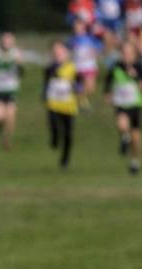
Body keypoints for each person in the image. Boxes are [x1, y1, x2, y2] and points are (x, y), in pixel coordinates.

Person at [104, 40, 142, 173]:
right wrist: (107, 93)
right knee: (122, 124)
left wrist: (135, 77)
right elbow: (108, 80)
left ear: (135, 54)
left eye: (130, 53)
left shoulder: (139, 67)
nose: (127, 56)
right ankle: (125, 137)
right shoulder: (116, 66)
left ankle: (135, 161)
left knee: (136, 137)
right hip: (121, 103)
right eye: (124, 53)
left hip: (135, 104)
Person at [44, 40, 80, 168]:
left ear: (66, 53)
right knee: (53, 123)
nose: (58, 53)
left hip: (68, 104)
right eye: (55, 51)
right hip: (53, 102)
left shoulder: (73, 67)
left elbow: (79, 84)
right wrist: (44, 95)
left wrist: (76, 88)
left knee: (68, 133)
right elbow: (46, 84)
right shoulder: (49, 68)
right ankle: (54, 138)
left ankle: (65, 159)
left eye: (60, 51)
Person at [69, 19, 103, 104]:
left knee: (91, 88)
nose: (77, 28)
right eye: (75, 27)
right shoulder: (71, 40)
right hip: (77, 67)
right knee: (79, 86)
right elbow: (69, 52)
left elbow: (99, 49)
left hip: (89, 66)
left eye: (79, 26)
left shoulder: (91, 38)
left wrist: (93, 53)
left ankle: (78, 98)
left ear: (84, 27)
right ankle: (81, 101)